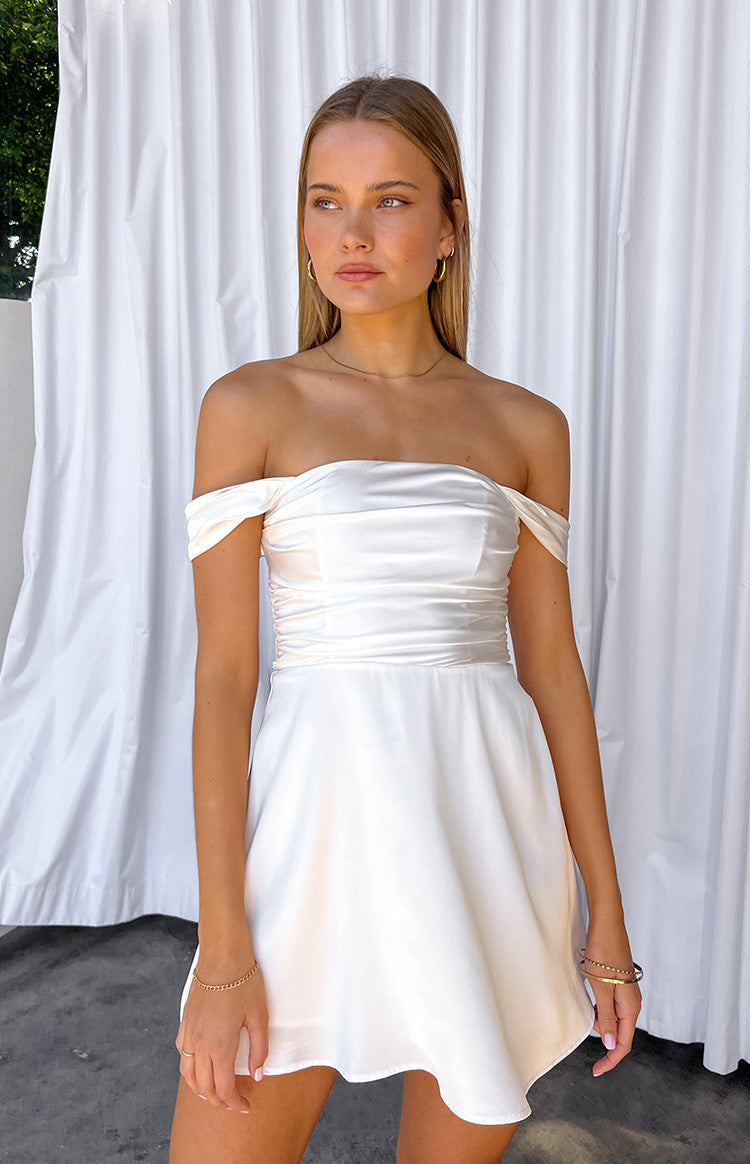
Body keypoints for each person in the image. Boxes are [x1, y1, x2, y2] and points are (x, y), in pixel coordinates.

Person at [169, 74, 642, 1164]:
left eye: (388, 198)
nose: (352, 230)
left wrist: (607, 924)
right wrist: (224, 942)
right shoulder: (250, 407)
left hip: (485, 833)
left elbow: (557, 677)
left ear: (449, 225)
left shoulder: (527, 425)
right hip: (310, 840)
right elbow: (225, 679)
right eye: (323, 199)